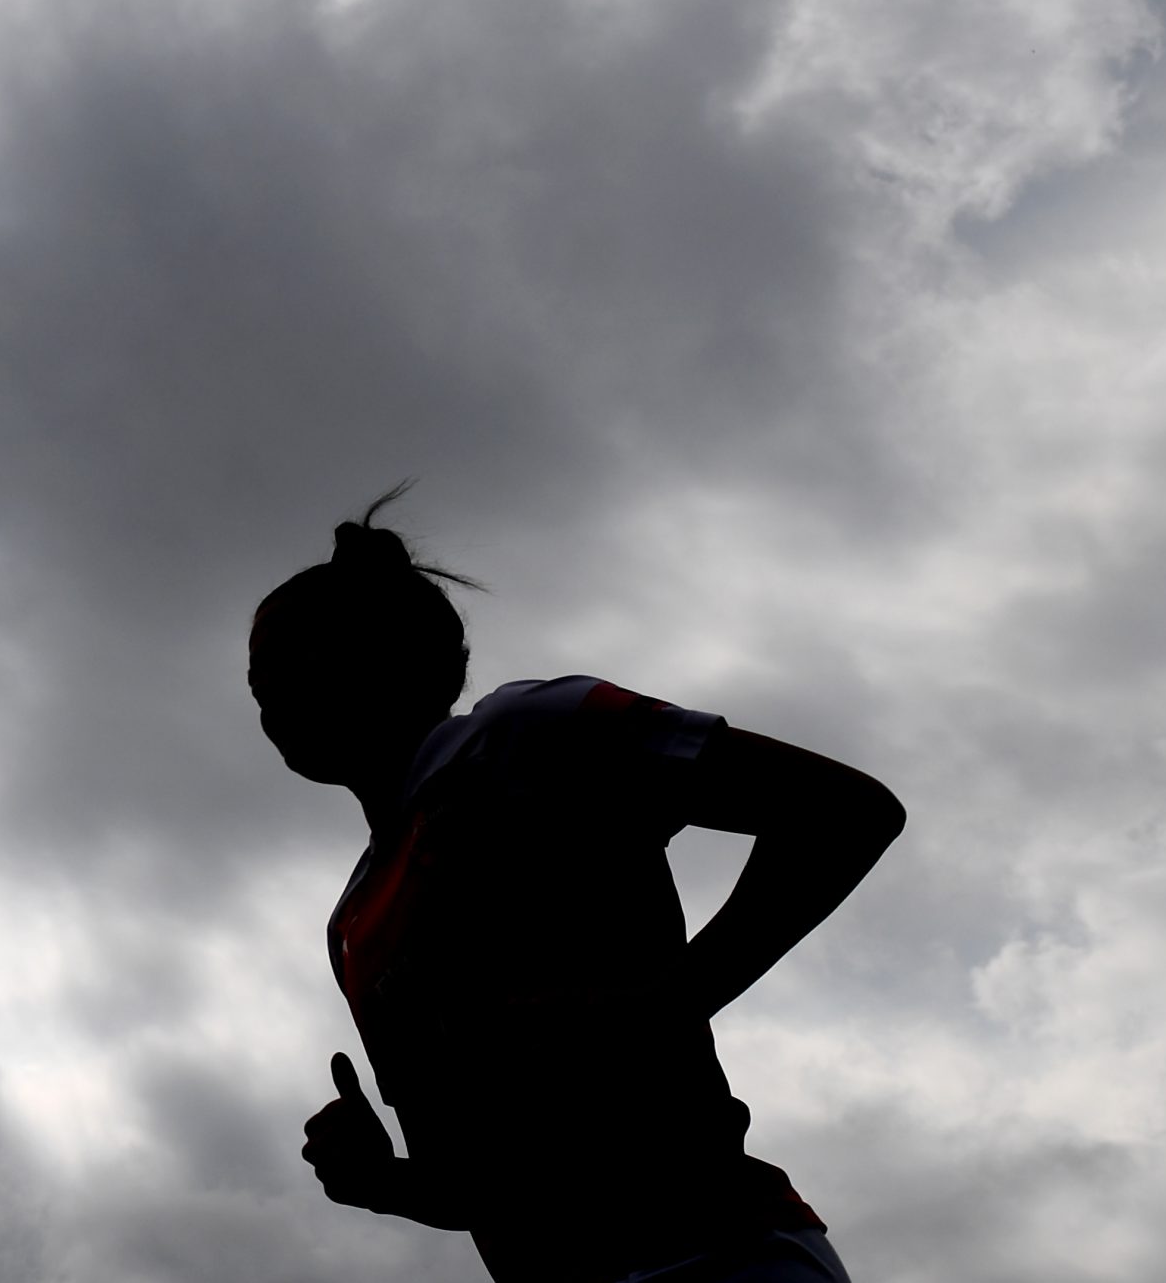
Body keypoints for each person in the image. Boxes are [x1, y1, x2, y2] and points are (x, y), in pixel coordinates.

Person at [249, 484, 905, 1283]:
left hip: (711, 1249)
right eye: (257, 672)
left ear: (393, 654)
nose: (266, 689)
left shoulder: (529, 731)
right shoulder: (352, 924)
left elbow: (844, 811)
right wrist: (387, 1183)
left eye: (292, 655)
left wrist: (663, 1002)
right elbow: (484, 1180)